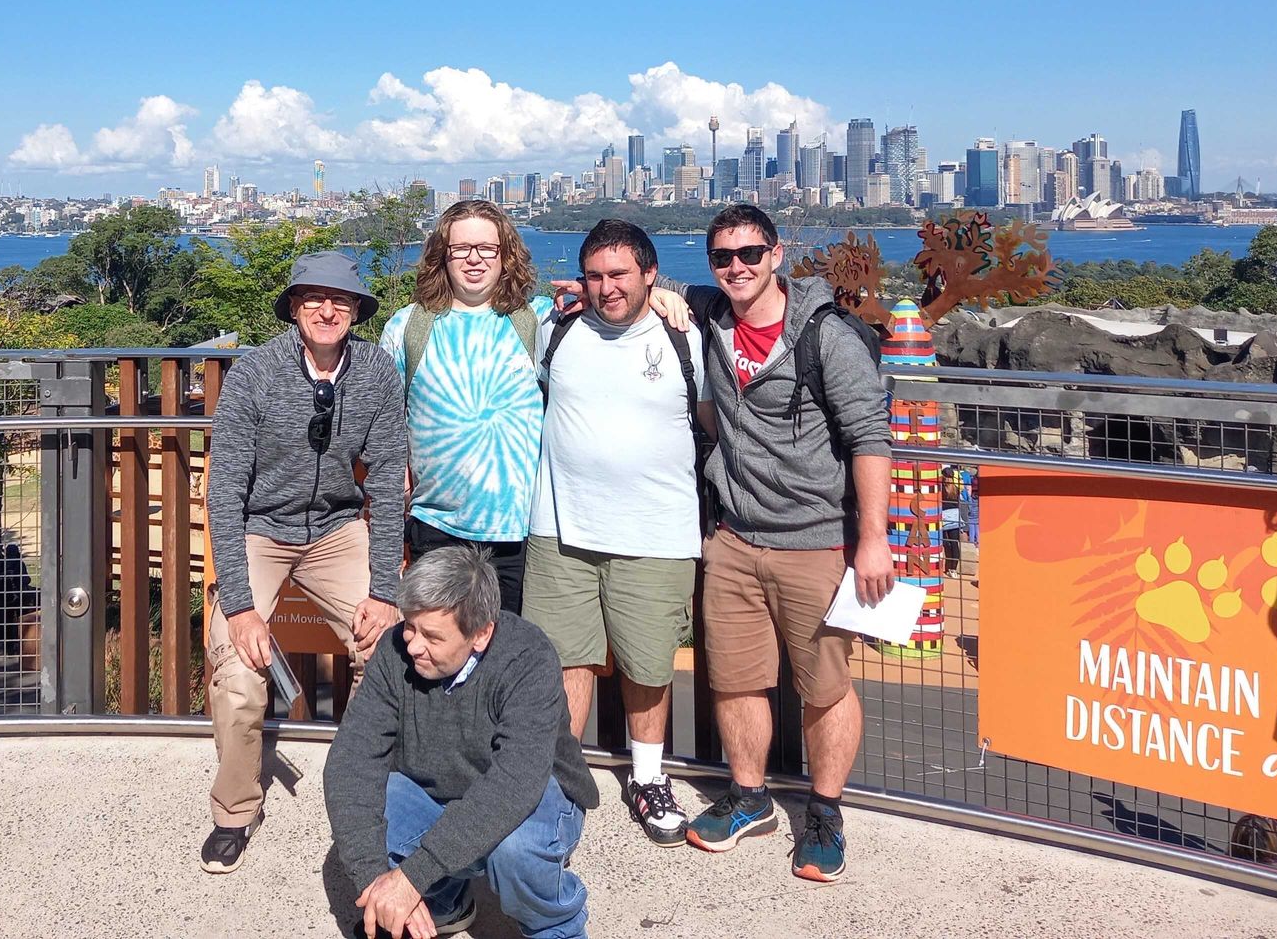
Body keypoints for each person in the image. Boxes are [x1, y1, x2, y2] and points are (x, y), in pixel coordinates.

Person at [669, 204, 893, 883]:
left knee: (824, 687)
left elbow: (869, 438)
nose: (736, 267)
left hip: (814, 542)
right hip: (733, 538)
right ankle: (749, 797)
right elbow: (655, 286)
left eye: (750, 254)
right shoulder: (712, 314)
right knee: (735, 681)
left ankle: (824, 812)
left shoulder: (825, 338)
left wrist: (874, 539)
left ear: (776, 256)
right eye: (722, 257)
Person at [201, 250, 408, 874]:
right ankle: (235, 810)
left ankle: (378, 789)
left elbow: (390, 483)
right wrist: (239, 605)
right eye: (313, 298)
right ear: (294, 307)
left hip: (338, 527)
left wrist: (385, 589)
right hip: (261, 531)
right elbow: (226, 489)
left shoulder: (374, 372)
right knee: (238, 671)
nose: (326, 309)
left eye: (340, 300)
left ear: (355, 312)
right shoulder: (257, 373)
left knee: (392, 643)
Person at [521, 217, 713, 847]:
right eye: (596, 276)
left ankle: (648, 777)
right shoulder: (557, 326)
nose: (607, 288)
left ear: (650, 275)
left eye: (621, 275)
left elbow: (712, 418)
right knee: (564, 659)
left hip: (657, 531)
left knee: (648, 663)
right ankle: (559, 779)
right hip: (559, 528)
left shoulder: (685, 336)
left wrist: (673, 298)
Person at [324, 544, 598, 939]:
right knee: (365, 808)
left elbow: (514, 785)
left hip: (536, 795)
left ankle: (556, 926)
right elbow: (352, 763)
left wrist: (411, 875)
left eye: (432, 636)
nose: (413, 645)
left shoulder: (528, 658)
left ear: (481, 633)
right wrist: (376, 881)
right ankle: (443, 900)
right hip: (436, 790)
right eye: (410, 626)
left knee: (516, 851)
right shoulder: (393, 651)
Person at [378, 199, 551, 614]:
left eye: (487, 248)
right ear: (443, 255)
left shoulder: (538, 321)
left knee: (508, 662)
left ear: (506, 255)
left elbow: (616, 306)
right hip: (435, 526)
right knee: (434, 654)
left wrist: (661, 297)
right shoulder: (408, 326)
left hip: (520, 532)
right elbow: (383, 419)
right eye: (461, 248)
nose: (474, 259)